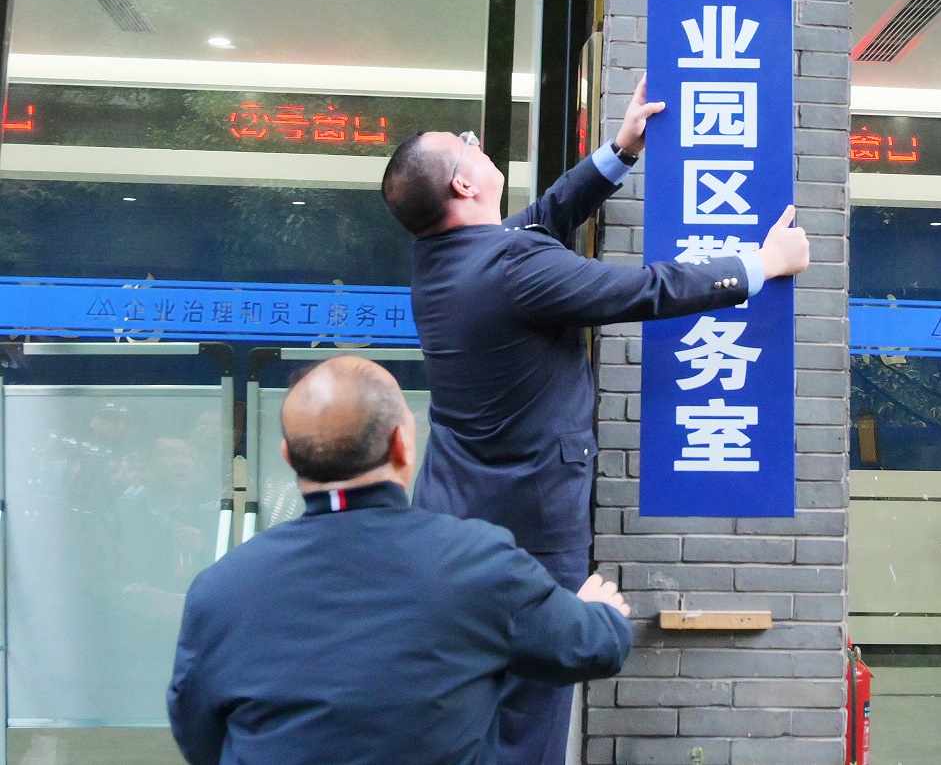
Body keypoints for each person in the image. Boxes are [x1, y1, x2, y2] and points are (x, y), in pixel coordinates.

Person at [380, 74, 810, 765]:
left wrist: (620, 151)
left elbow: (541, 219)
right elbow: (644, 290)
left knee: (467, 693)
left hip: (455, 510)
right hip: (529, 526)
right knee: (532, 706)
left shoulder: (442, 259)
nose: (478, 143)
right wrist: (760, 264)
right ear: (462, 184)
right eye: (467, 144)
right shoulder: (509, 268)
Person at [167, 356, 633, 765]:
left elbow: (199, 734)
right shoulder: (479, 563)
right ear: (402, 445)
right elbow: (592, 646)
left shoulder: (221, 587)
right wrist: (601, 612)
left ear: (289, 456)